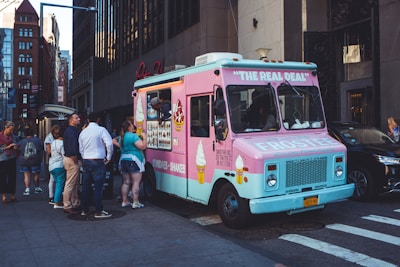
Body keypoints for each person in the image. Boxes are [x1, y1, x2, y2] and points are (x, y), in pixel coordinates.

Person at [78, 113, 114, 218]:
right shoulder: (101, 130)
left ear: (88, 120)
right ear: (98, 119)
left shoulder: (83, 132)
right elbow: (109, 144)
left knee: (86, 187)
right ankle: (98, 210)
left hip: (86, 160)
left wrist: (84, 156)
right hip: (98, 160)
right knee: (98, 187)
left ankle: (84, 209)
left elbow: (81, 148)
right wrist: (109, 157)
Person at [117, 120, 146, 208]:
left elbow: (114, 141)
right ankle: (135, 202)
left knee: (126, 182)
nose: (133, 126)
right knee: (136, 182)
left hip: (123, 160)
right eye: (131, 125)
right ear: (129, 127)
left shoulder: (121, 137)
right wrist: (145, 138)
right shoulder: (133, 136)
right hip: (134, 160)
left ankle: (125, 201)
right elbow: (142, 146)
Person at [62, 113, 82, 215]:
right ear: (71, 120)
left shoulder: (71, 130)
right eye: (76, 118)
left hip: (70, 158)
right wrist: (75, 158)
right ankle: (67, 205)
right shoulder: (71, 131)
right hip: (72, 159)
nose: (79, 119)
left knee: (73, 183)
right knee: (70, 183)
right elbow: (72, 146)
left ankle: (74, 203)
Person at [17, 127, 44, 196]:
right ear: (33, 133)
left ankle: (27, 189)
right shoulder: (37, 140)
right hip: (35, 160)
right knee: (36, 174)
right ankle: (37, 188)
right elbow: (42, 148)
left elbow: (18, 150)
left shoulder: (22, 141)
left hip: (24, 160)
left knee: (26, 175)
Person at [0, 121, 18, 204]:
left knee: (12, 177)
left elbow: (15, 144)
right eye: (10, 130)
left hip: (11, 157)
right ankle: (3, 195)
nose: (11, 132)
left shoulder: (13, 137)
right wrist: (7, 147)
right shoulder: (0, 136)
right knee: (3, 177)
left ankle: (12, 195)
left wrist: (15, 147)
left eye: (12, 130)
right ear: (6, 128)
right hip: (2, 158)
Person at [49, 126, 66, 209]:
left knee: (57, 184)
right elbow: (64, 155)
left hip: (52, 165)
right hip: (59, 165)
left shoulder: (53, 142)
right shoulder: (62, 144)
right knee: (60, 184)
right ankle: (57, 202)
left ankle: (57, 199)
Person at [44, 124, 60, 205]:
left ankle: (53, 197)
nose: (57, 135)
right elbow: (49, 151)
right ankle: (52, 197)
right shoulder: (49, 139)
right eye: (56, 133)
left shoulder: (50, 138)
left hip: (54, 161)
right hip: (54, 160)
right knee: (52, 179)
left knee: (53, 179)